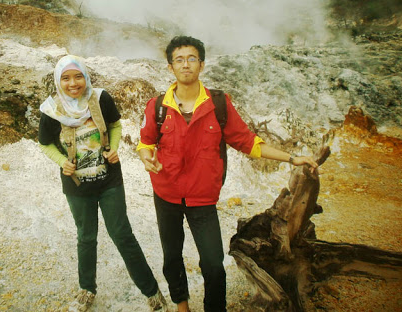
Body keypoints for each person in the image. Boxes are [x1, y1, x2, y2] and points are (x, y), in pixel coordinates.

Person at [136, 36, 319, 312]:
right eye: (179, 60)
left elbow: (248, 142)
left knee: (213, 263)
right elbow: (146, 142)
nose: (185, 65)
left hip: (202, 198)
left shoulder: (218, 104)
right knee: (172, 257)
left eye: (192, 59)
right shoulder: (158, 107)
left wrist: (292, 158)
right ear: (170, 67)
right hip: (167, 195)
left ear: (202, 64)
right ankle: (182, 306)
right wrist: (146, 157)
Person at [38, 55, 168, 312]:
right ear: (58, 81)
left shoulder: (100, 98)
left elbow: (115, 125)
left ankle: (152, 292)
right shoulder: (51, 110)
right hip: (77, 186)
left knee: (122, 234)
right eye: (66, 78)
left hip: (109, 180)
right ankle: (87, 289)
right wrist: (62, 162)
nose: (73, 83)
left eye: (78, 76)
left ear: (86, 77)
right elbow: (45, 144)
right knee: (86, 237)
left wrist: (114, 147)